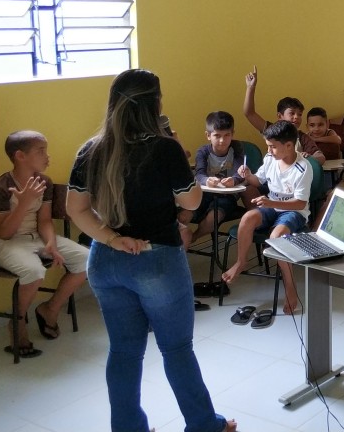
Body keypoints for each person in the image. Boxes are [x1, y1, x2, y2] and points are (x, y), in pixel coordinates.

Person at [66, 69, 235, 432]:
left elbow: (76, 209)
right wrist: (174, 146)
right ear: (154, 104)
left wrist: (113, 239)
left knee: (123, 351)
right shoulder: (164, 148)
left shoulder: (90, 149)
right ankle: (205, 426)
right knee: (176, 349)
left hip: (105, 262)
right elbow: (192, 200)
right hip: (156, 261)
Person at [0, 131, 88, 358]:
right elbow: (5, 233)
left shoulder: (44, 181)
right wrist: (23, 202)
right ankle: (18, 321)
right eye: (41, 151)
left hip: (35, 237)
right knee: (34, 271)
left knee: (87, 259)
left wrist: (51, 244)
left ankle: (50, 309)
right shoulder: (0, 186)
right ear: (20, 156)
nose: (47, 156)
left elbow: (44, 221)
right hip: (4, 243)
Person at [222, 120, 312, 315]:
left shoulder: (303, 168)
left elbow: (300, 203)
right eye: (268, 146)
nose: (269, 150)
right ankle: (241, 261)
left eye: (272, 146)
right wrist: (248, 175)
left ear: (289, 145)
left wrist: (271, 203)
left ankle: (290, 287)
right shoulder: (271, 158)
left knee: (276, 238)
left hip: (294, 212)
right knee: (248, 218)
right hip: (272, 206)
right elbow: (258, 180)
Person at [178, 112, 249, 247]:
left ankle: (192, 238)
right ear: (208, 135)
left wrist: (233, 180)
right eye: (217, 136)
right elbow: (199, 174)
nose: (222, 140)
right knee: (183, 216)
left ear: (232, 134)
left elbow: (241, 173)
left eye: (227, 135)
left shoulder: (237, 148)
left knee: (213, 218)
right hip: (204, 194)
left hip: (227, 197)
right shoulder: (203, 151)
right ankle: (178, 243)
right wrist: (206, 180)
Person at [242, 65, 324, 163]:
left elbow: (320, 157)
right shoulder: (272, 130)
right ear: (280, 116)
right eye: (292, 113)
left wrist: (308, 159)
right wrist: (250, 88)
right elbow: (249, 113)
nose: (296, 117)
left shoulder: (302, 137)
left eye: (300, 114)